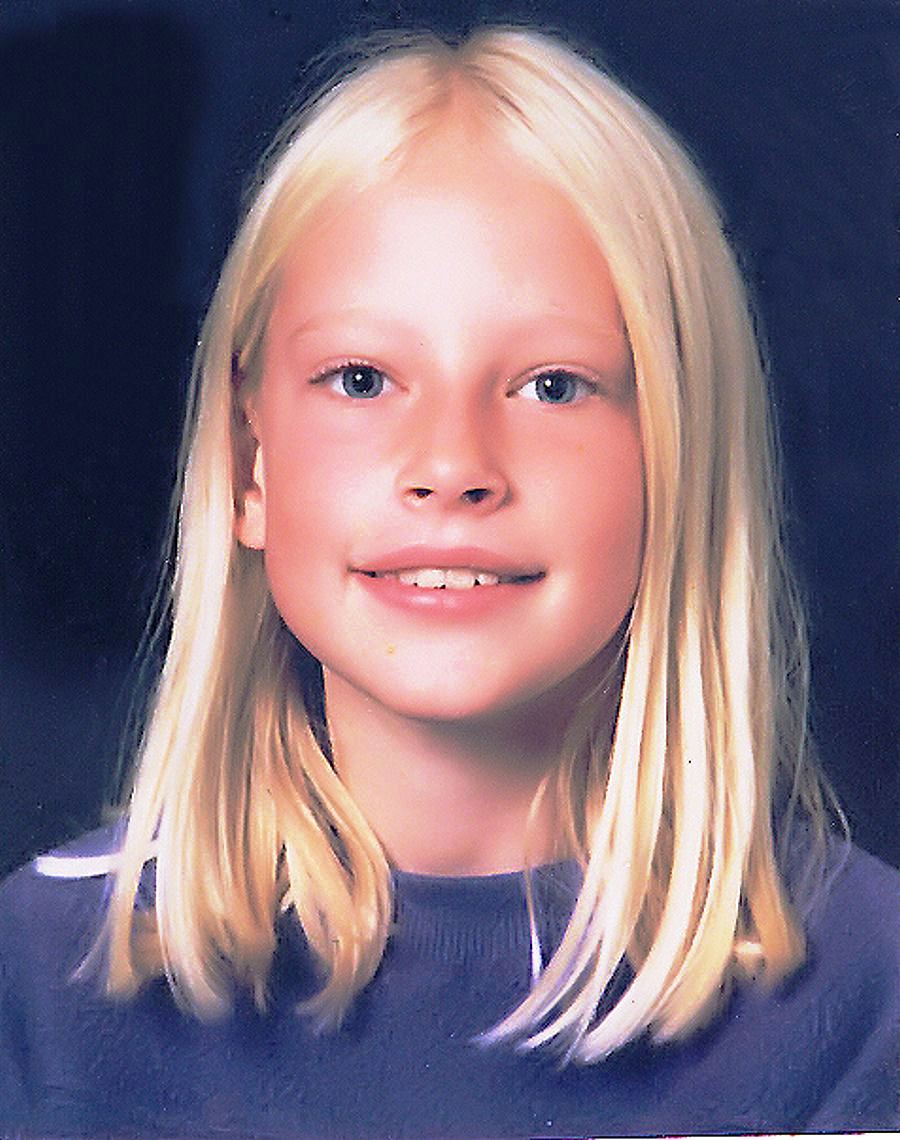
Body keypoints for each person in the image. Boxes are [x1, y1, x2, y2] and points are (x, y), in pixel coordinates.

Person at [1, 25, 896, 1139]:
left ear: (678, 463)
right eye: (362, 379)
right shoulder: (35, 993)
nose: (451, 464)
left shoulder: (866, 1004)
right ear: (249, 461)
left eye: (553, 385)